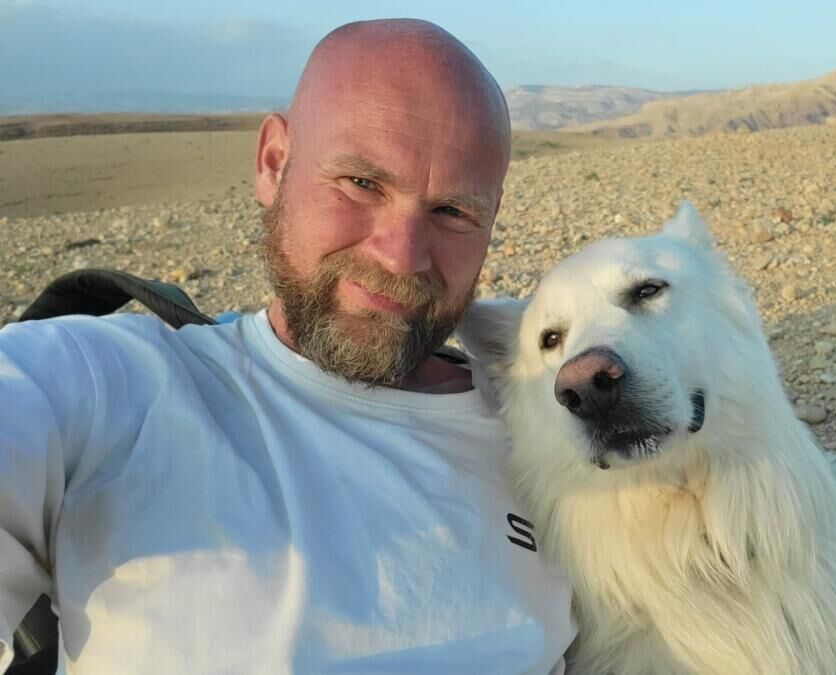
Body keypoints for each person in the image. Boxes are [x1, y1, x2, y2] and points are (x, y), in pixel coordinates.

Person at [0, 19, 575, 674]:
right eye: (361, 183)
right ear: (274, 163)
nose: (402, 256)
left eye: (453, 212)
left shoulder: (563, 427)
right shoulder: (101, 383)